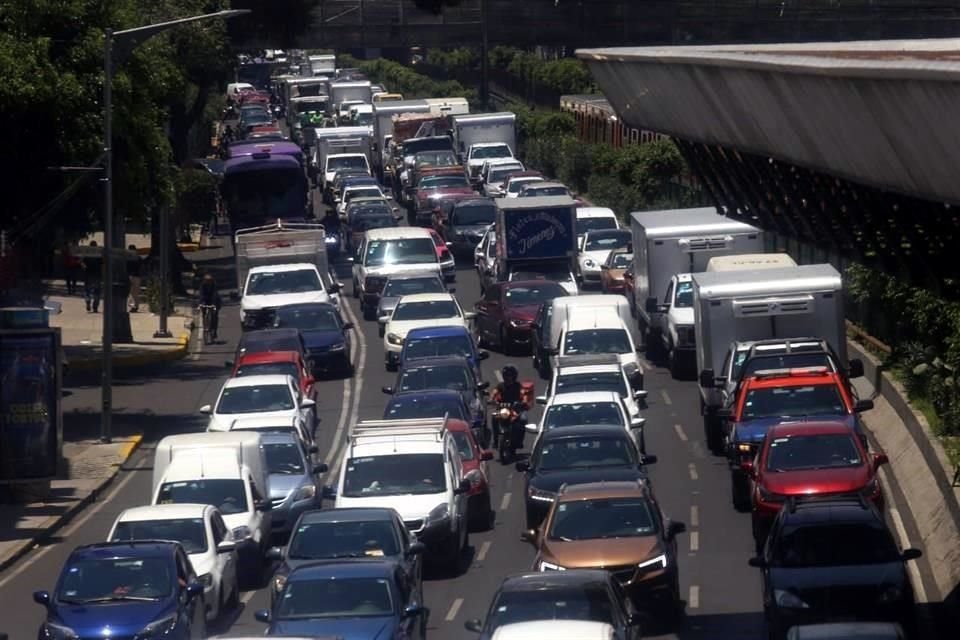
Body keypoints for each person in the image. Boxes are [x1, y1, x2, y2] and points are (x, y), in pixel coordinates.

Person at [197, 273, 222, 340]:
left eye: (210, 280)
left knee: (214, 315)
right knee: (204, 313)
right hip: (205, 300)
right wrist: (201, 303)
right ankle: (205, 326)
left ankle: (214, 330)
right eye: (207, 280)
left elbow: (215, 295)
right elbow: (201, 295)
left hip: (213, 300)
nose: (208, 282)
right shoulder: (202, 285)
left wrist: (214, 304)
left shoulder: (214, 285)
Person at [81, 242, 102, 313]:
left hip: (88, 274)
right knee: (97, 291)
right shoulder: (99, 254)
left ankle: (88, 301)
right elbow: (103, 264)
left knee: (87, 290)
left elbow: (82, 263)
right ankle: (95, 307)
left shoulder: (87, 254)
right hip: (97, 275)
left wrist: (85, 268)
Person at [126, 244, 142, 312]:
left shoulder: (128, 258)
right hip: (137, 276)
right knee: (135, 292)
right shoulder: (138, 257)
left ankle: (133, 305)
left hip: (131, 275)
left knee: (131, 292)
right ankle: (135, 305)